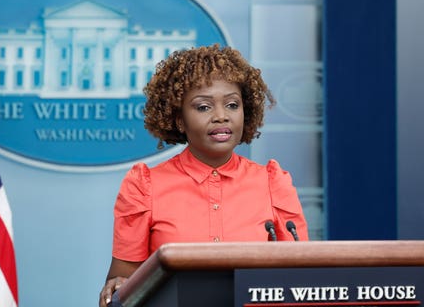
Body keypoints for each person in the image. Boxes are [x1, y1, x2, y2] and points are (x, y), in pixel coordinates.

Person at [98, 44, 308, 307]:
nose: (221, 116)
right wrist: (116, 286)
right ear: (179, 120)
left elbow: (301, 280)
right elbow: (123, 285)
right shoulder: (144, 186)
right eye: (203, 107)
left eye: (232, 105)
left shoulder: (272, 183)